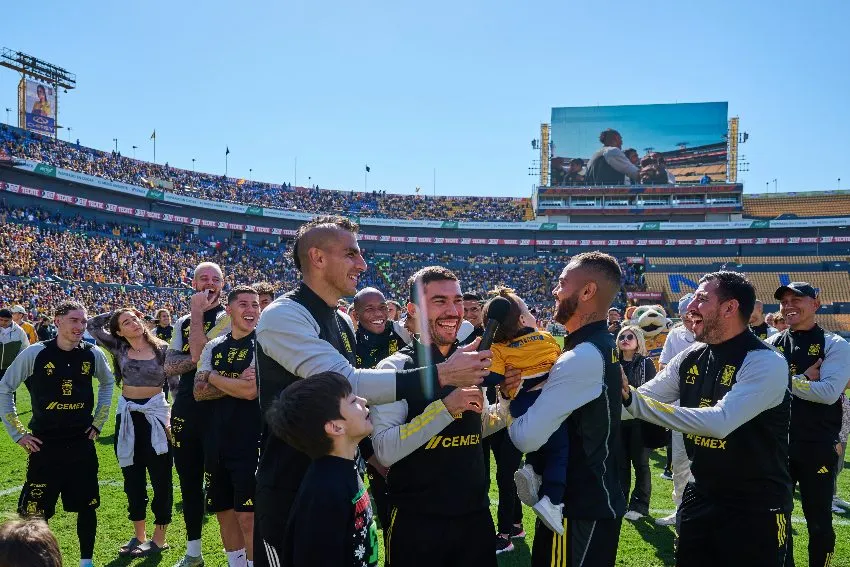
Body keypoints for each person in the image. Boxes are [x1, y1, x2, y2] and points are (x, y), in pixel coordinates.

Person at [252, 216, 493, 567]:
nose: (362, 264)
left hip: (343, 478)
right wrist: (443, 374)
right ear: (317, 257)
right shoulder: (283, 315)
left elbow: (357, 400)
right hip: (292, 484)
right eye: (351, 254)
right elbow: (345, 382)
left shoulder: (340, 321)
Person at [623, 271, 792, 566]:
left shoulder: (765, 361)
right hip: (699, 493)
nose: (690, 308)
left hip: (756, 504)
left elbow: (719, 422)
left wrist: (633, 402)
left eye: (701, 299)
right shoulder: (691, 356)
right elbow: (639, 399)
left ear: (729, 308)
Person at [370, 266, 514, 567]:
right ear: (413, 310)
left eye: (457, 301)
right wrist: (445, 409)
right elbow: (384, 450)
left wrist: (507, 399)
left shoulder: (470, 361)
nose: (452, 311)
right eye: (439, 301)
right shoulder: (395, 368)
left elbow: (477, 428)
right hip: (417, 521)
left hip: (475, 517)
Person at [509, 252, 626, 566]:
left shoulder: (583, 355)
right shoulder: (598, 345)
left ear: (587, 291)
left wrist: (509, 399)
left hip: (578, 507)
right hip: (592, 500)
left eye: (562, 284)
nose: (554, 291)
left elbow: (526, 438)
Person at [0, 300, 114, 567]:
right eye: (74, 320)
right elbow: (5, 387)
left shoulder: (92, 354)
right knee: (34, 515)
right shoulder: (36, 353)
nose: (80, 326)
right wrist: (18, 433)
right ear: (57, 320)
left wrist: (98, 421)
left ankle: (86, 562)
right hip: (44, 445)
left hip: (81, 444)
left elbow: (108, 383)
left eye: (83, 321)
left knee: (87, 507)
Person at [767, 282, 850, 566]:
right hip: (777, 445)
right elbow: (757, 388)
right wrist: (802, 380)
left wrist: (783, 383)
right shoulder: (771, 345)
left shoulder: (835, 344)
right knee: (776, 517)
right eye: (784, 301)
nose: (788, 305)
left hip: (817, 446)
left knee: (819, 521)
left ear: (816, 304)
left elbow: (827, 393)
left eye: (796, 299)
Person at [87, 308, 172, 558]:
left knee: (161, 480)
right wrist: (118, 311)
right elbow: (93, 325)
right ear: (118, 331)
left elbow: (175, 386)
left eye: (135, 318)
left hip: (157, 417)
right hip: (127, 417)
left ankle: (159, 538)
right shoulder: (119, 347)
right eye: (126, 322)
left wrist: (172, 420)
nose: (134, 322)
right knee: (132, 479)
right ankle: (139, 535)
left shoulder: (163, 349)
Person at [268, 372, 378, 567]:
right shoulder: (324, 493)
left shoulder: (344, 470)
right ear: (335, 427)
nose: (363, 400)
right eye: (353, 401)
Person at [478, 289, 560, 546]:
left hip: (513, 416)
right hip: (499, 415)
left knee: (509, 473)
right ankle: (513, 524)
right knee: (506, 474)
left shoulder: (531, 341)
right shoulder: (491, 344)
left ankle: (507, 531)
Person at [164, 262, 232, 567]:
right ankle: (194, 553)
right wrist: (194, 355)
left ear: (223, 284)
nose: (209, 283)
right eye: (203, 278)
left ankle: (238, 556)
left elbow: (192, 356)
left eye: (215, 278)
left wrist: (192, 355)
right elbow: (170, 366)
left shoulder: (232, 317)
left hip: (223, 409)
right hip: (187, 409)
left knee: (225, 485)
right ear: (193, 284)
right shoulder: (182, 322)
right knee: (189, 482)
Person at [194, 285, 262, 567]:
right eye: (244, 304)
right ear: (229, 310)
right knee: (224, 512)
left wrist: (212, 376)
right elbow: (198, 391)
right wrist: (231, 381)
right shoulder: (214, 345)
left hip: (251, 442)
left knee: (248, 516)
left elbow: (250, 391)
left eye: (255, 304)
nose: (251, 309)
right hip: (216, 441)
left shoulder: (263, 344)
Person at [655, 294, 698, 528]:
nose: (690, 320)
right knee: (680, 464)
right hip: (680, 409)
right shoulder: (675, 335)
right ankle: (680, 510)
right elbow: (663, 366)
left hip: (711, 410)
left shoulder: (717, 333)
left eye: (693, 314)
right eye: (685, 316)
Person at [616, 325, 657, 521]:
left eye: (629, 336)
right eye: (621, 336)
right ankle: (620, 501)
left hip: (639, 420)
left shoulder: (646, 363)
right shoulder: (612, 363)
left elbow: (651, 391)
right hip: (617, 421)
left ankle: (640, 505)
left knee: (641, 464)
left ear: (638, 340)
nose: (625, 339)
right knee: (620, 464)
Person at [350, 287, 411, 369]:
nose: (378, 313)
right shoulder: (350, 344)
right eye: (369, 309)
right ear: (356, 315)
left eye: (382, 307)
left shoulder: (403, 332)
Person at [1, 307, 30, 380]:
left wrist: (17, 363)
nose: (3, 322)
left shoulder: (19, 331)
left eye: (6, 320)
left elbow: (25, 348)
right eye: (1, 320)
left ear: (11, 319)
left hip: (10, 369)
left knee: (7, 387)